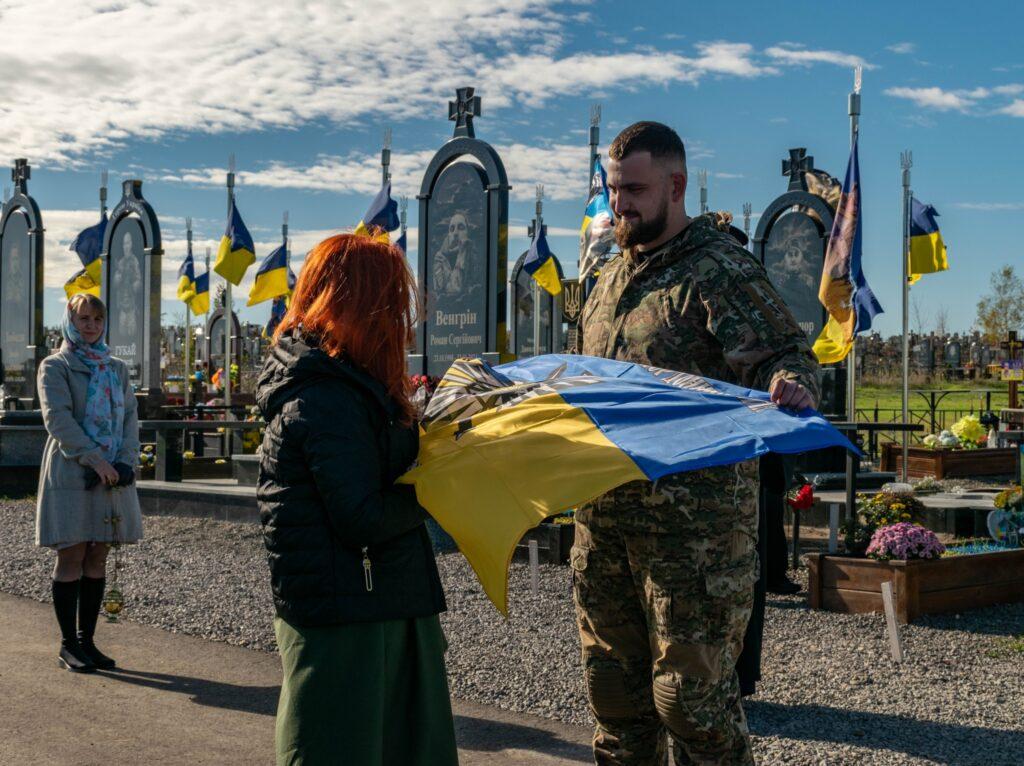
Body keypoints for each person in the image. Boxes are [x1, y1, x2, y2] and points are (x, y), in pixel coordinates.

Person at [576, 121, 820, 765]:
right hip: (604, 527)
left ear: (675, 186)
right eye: (613, 188)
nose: (619, 203)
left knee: (691, 707)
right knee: (616, 704)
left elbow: (787, 353)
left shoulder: (719, 270)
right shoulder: (604, 279)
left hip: (695, 540)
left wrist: (789, 382)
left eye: (633, 189)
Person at [256, 233, 456, 766]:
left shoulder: (346, 382)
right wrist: (440, 488)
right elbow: (361, 516)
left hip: (379, 598)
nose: (401, 319)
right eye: (390, 301)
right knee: (344, 745)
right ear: (356, 305)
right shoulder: (323, 396)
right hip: (348, 611)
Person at [36, 293, 143, 673]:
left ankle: (88, 642)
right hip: (74, 471)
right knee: (73, 555)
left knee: (98, 554)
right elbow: (58, 418)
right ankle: (68, 645)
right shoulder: (56, 366)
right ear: (70, 320)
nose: (91, 326)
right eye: (84, 318)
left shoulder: (115, 368)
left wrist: (125, 460)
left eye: (97, 319)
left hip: (111, 473)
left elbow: (129, 418)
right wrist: (94, 459)